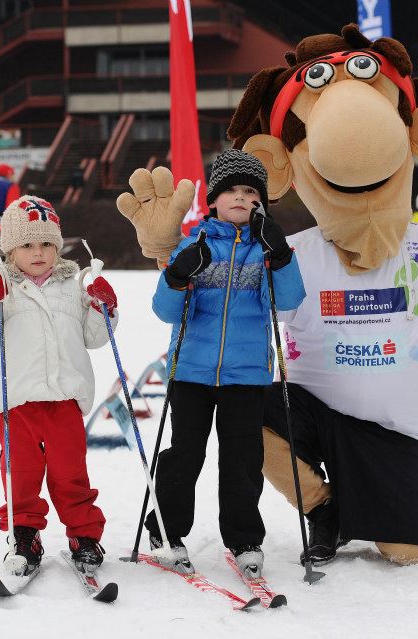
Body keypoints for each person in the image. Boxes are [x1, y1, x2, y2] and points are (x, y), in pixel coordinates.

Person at [117, 25, 418, 569]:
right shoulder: (293, 253)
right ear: (285, 165)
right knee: (246, 406)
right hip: (309, 417)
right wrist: (168, 251)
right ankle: (322, 506)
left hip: (391, 434)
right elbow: (217, 288)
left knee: (413, 550)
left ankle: (370, 501)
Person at [143, 149, 306, 578]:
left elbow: (288, 302)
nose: (240, 197)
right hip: (191, 371)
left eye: (251, 191)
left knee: (242, 458)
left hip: (246, 373)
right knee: (185, 455)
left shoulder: (267, 249)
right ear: (213, 199)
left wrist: (283, 255)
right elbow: (165, 310)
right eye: (231, 189)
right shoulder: (192, 244)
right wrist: (178, 275)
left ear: (262, 203)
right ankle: (165, 531)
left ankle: (245, 539)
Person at [0, 195, 119, 577]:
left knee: (70, 474)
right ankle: (24, 534)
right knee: (21, 474)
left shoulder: (72, 287)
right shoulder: (2, 286)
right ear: (10, 249)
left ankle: (84, 536)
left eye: (47, 243)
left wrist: (104, 310)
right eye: (27, 245)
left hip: (63, 400)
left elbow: (95, 338)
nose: (38, 252)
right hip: (16, 403)